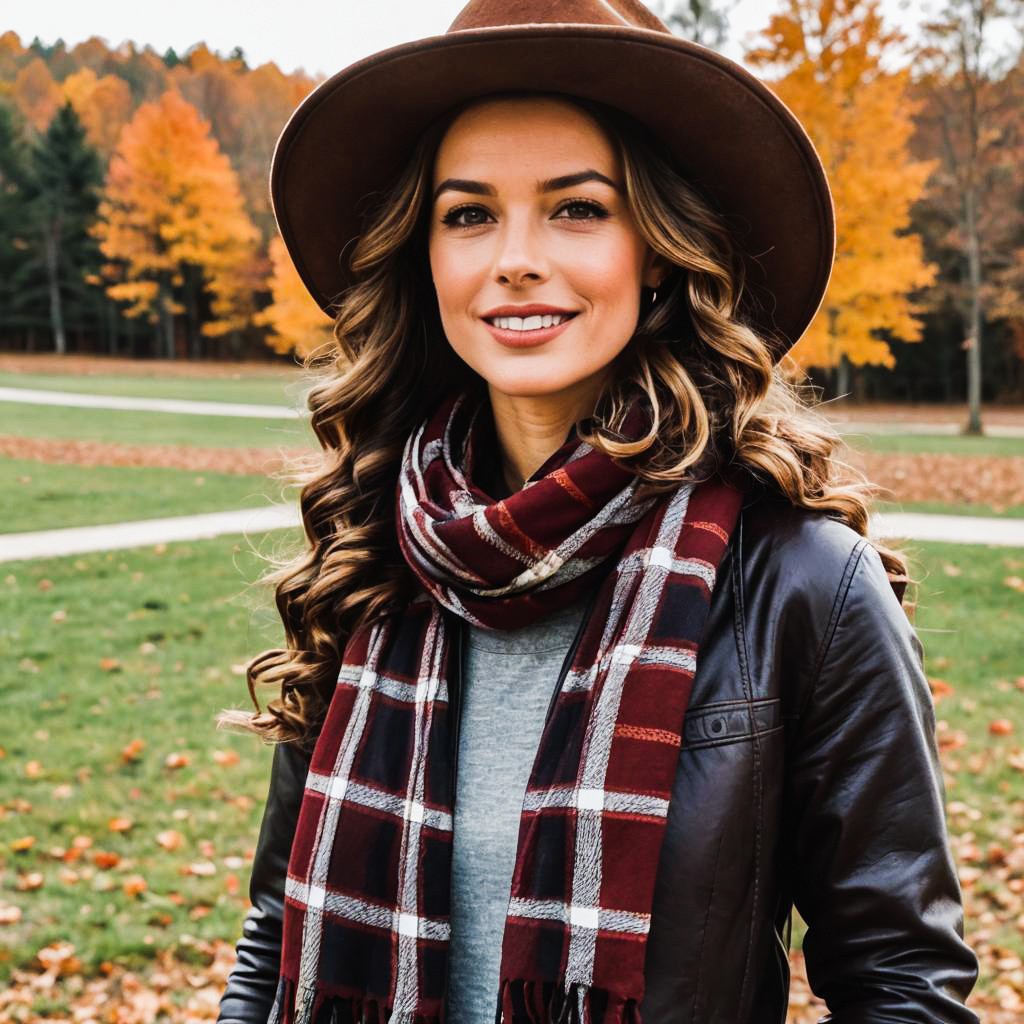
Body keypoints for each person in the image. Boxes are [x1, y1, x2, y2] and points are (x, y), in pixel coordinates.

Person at [215, 2, 979, 1022]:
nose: (515, 258)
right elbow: (275, 940)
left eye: (576, 208)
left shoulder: (805, 583)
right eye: (468, 213)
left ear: (657, 249)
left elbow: (901, 987)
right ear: (425, 255)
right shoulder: (377, 555)